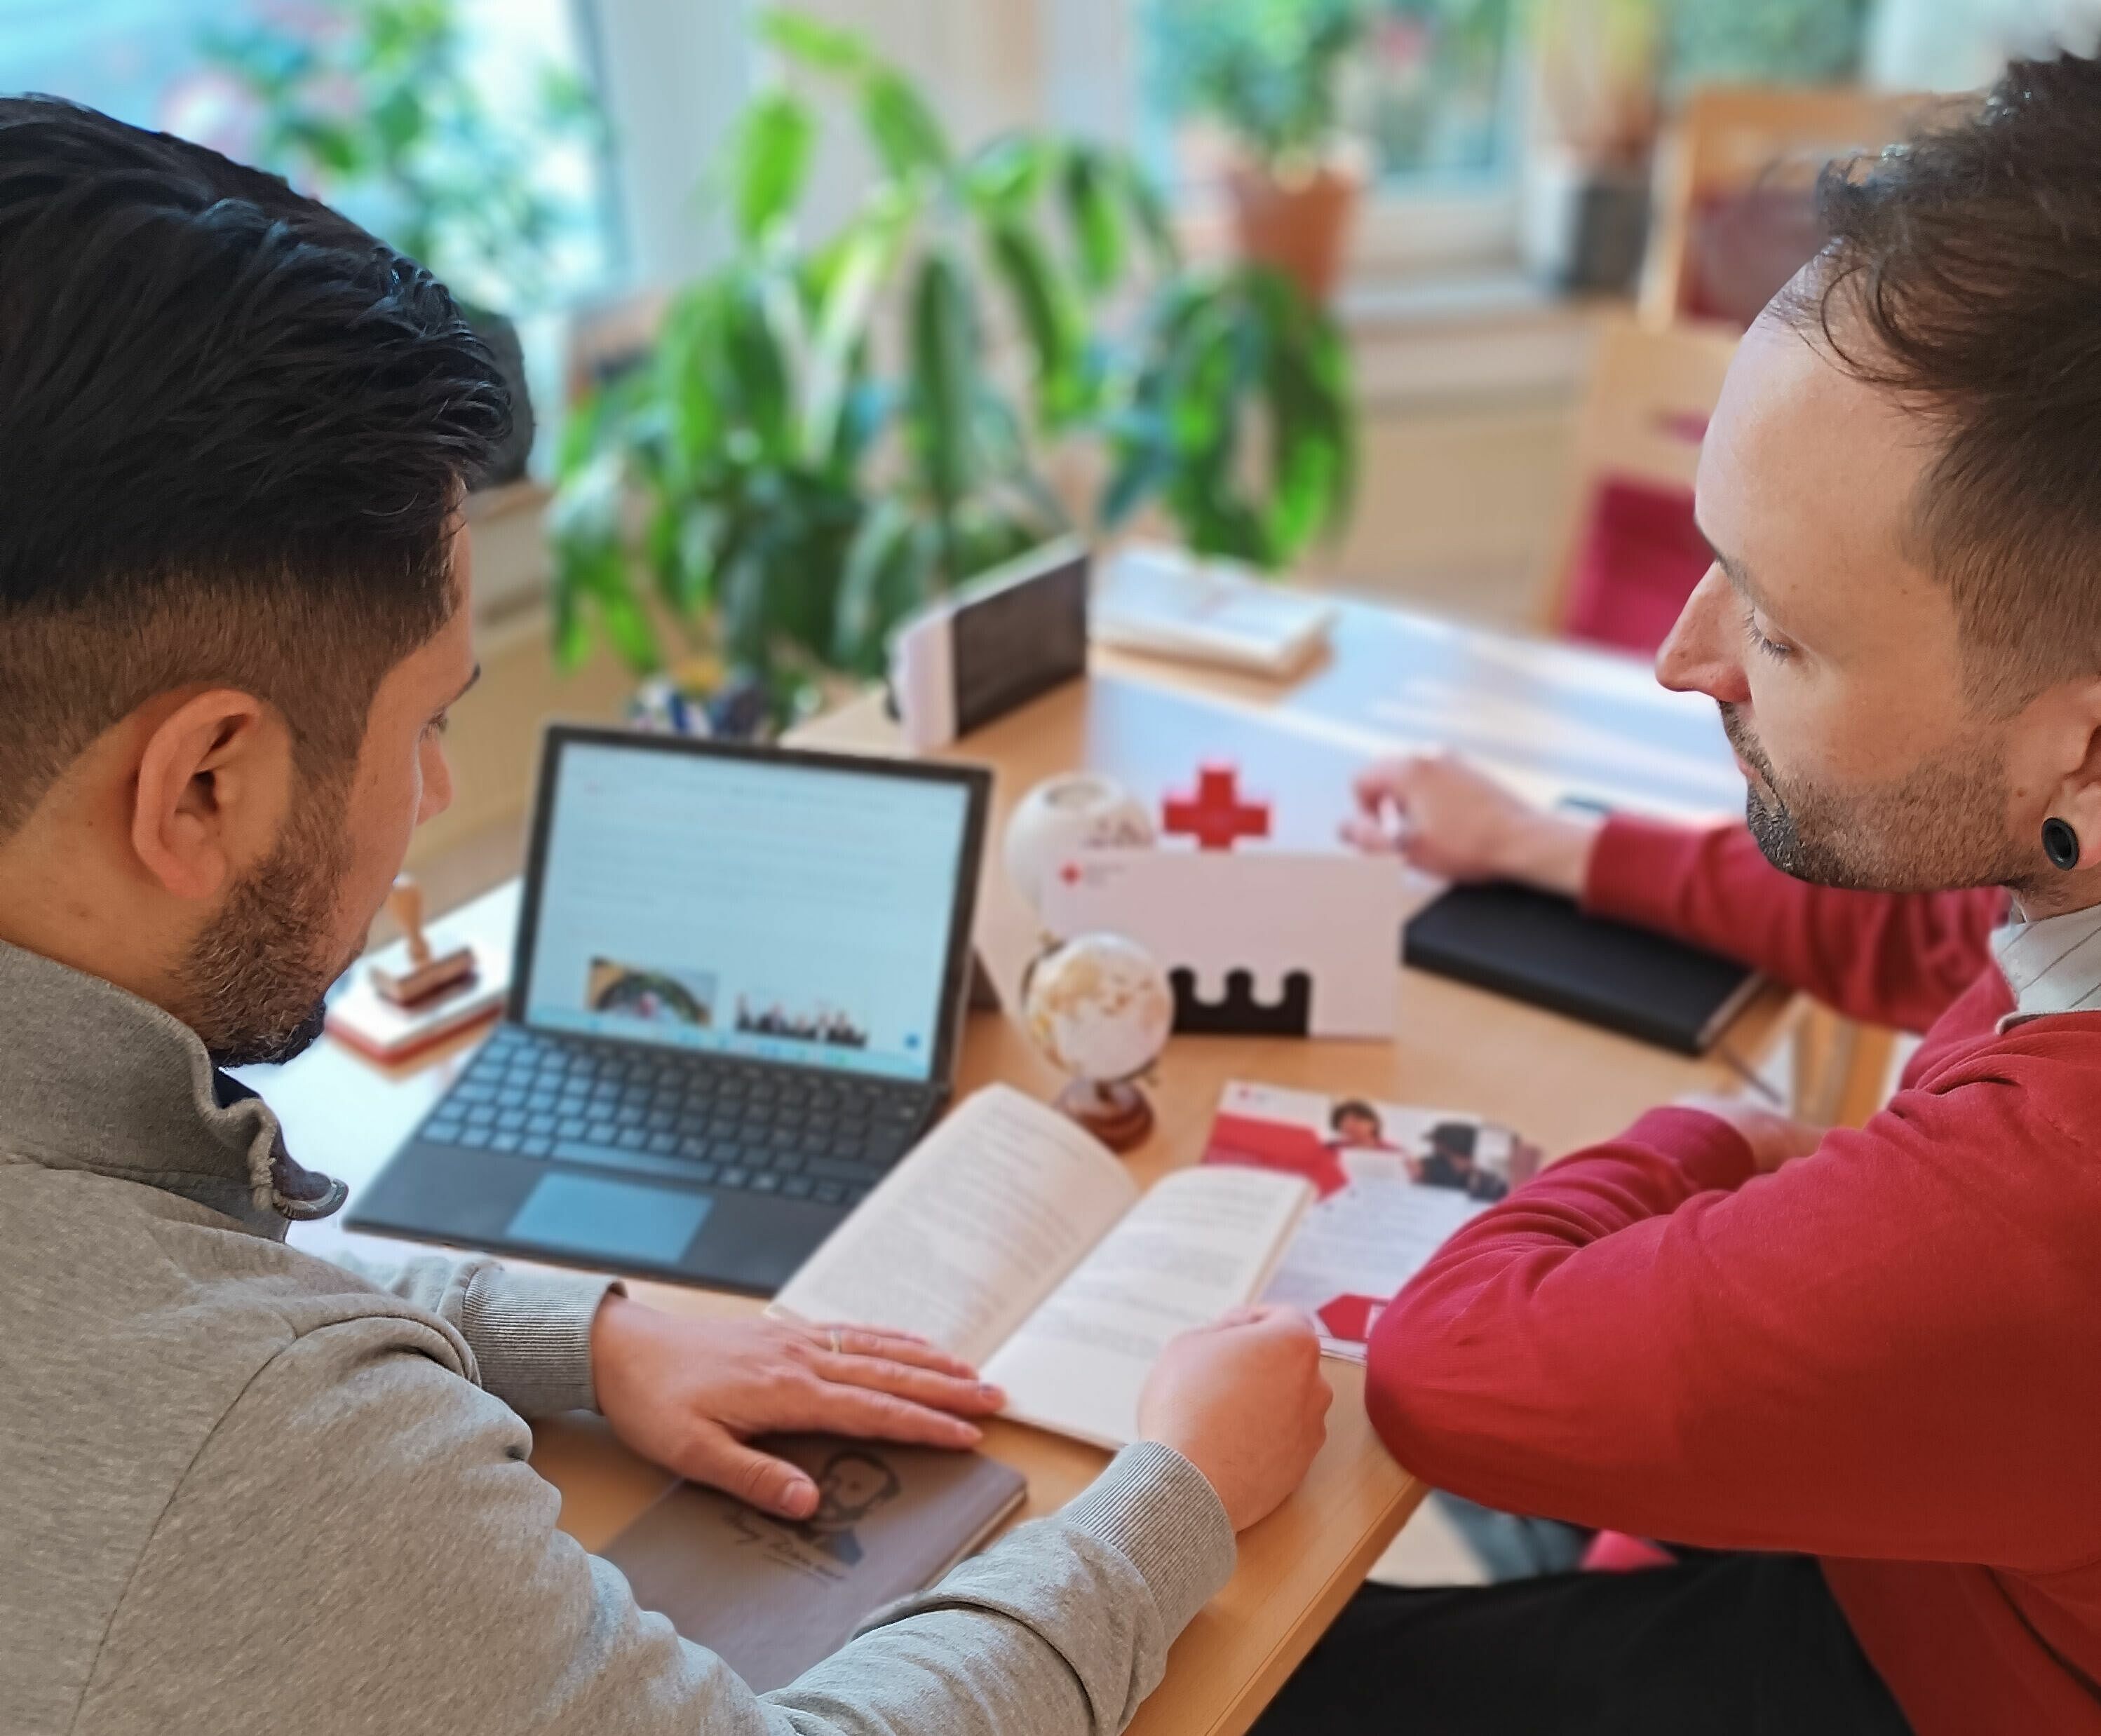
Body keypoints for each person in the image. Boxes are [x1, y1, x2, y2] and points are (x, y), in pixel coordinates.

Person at [0, 100, 1332, 1736]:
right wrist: (1176, 1491)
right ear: (203, 784)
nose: (430, 793)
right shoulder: (252, 1443)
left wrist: (582, 1331)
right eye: (428, 722)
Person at [1265, 52, 2101, 1736]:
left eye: (1780, 630)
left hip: (1936, 1666)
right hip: (1953, 1538)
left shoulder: (2037, 1207)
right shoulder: (2061, 844)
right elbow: (1929, 912)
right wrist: (1543, 845)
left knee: (1252, 1672)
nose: (1676, 652)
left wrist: (1716, 1144)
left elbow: (1454, 1367)